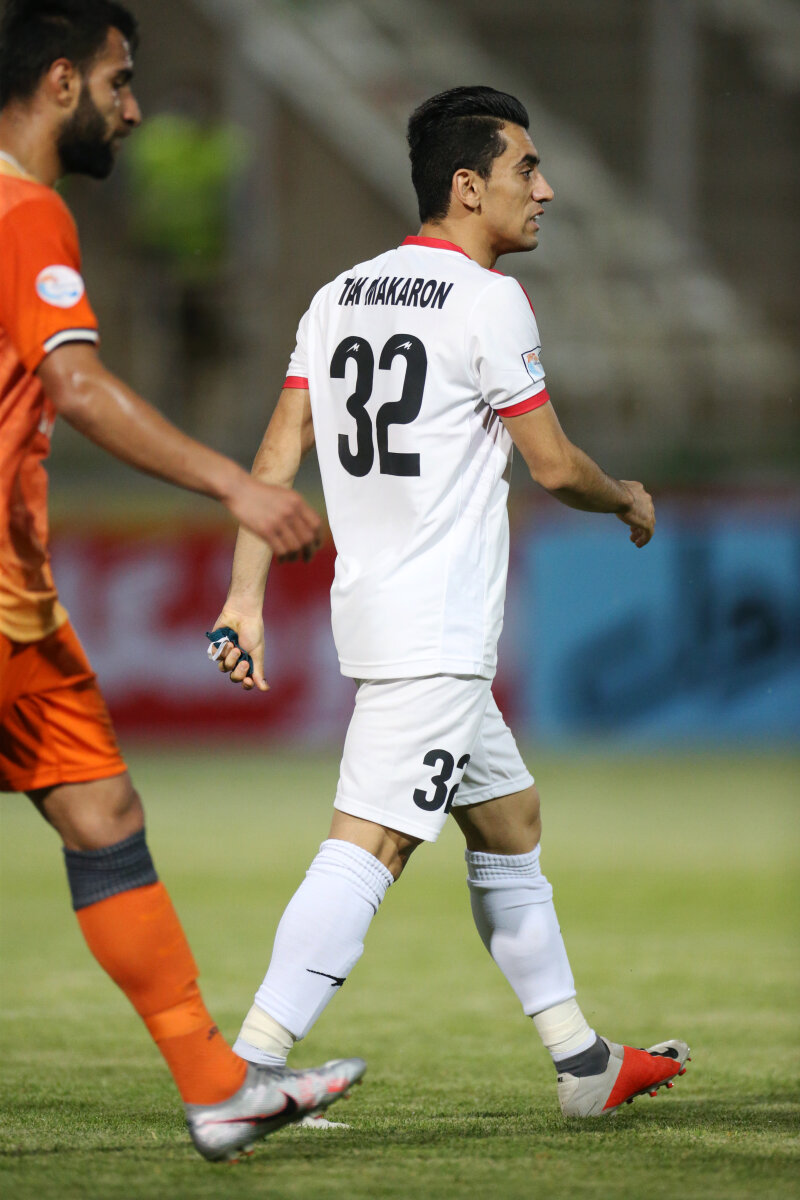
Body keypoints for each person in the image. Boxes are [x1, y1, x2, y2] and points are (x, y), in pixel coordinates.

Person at [210, 85, 690, 1120]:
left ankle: (581, 1063)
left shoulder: (337, 296)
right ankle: (246, 1074)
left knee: (509, 823)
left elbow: (278, 453)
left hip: (387, 616)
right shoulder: (485, 300)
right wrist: (624, 497)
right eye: (527, 169)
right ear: (467, 187)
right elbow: (551, 465)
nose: (545, 190)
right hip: (435, 629)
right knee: (371, 844)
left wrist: (245, 595)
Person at [0, 0, 364, 1163]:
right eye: (120, 83)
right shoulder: (25, 210)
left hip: (18, 602)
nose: (135, 110)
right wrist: (236, 486)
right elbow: (77, 387)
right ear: (62, 82)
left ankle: (218, 1088)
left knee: (101, 812)